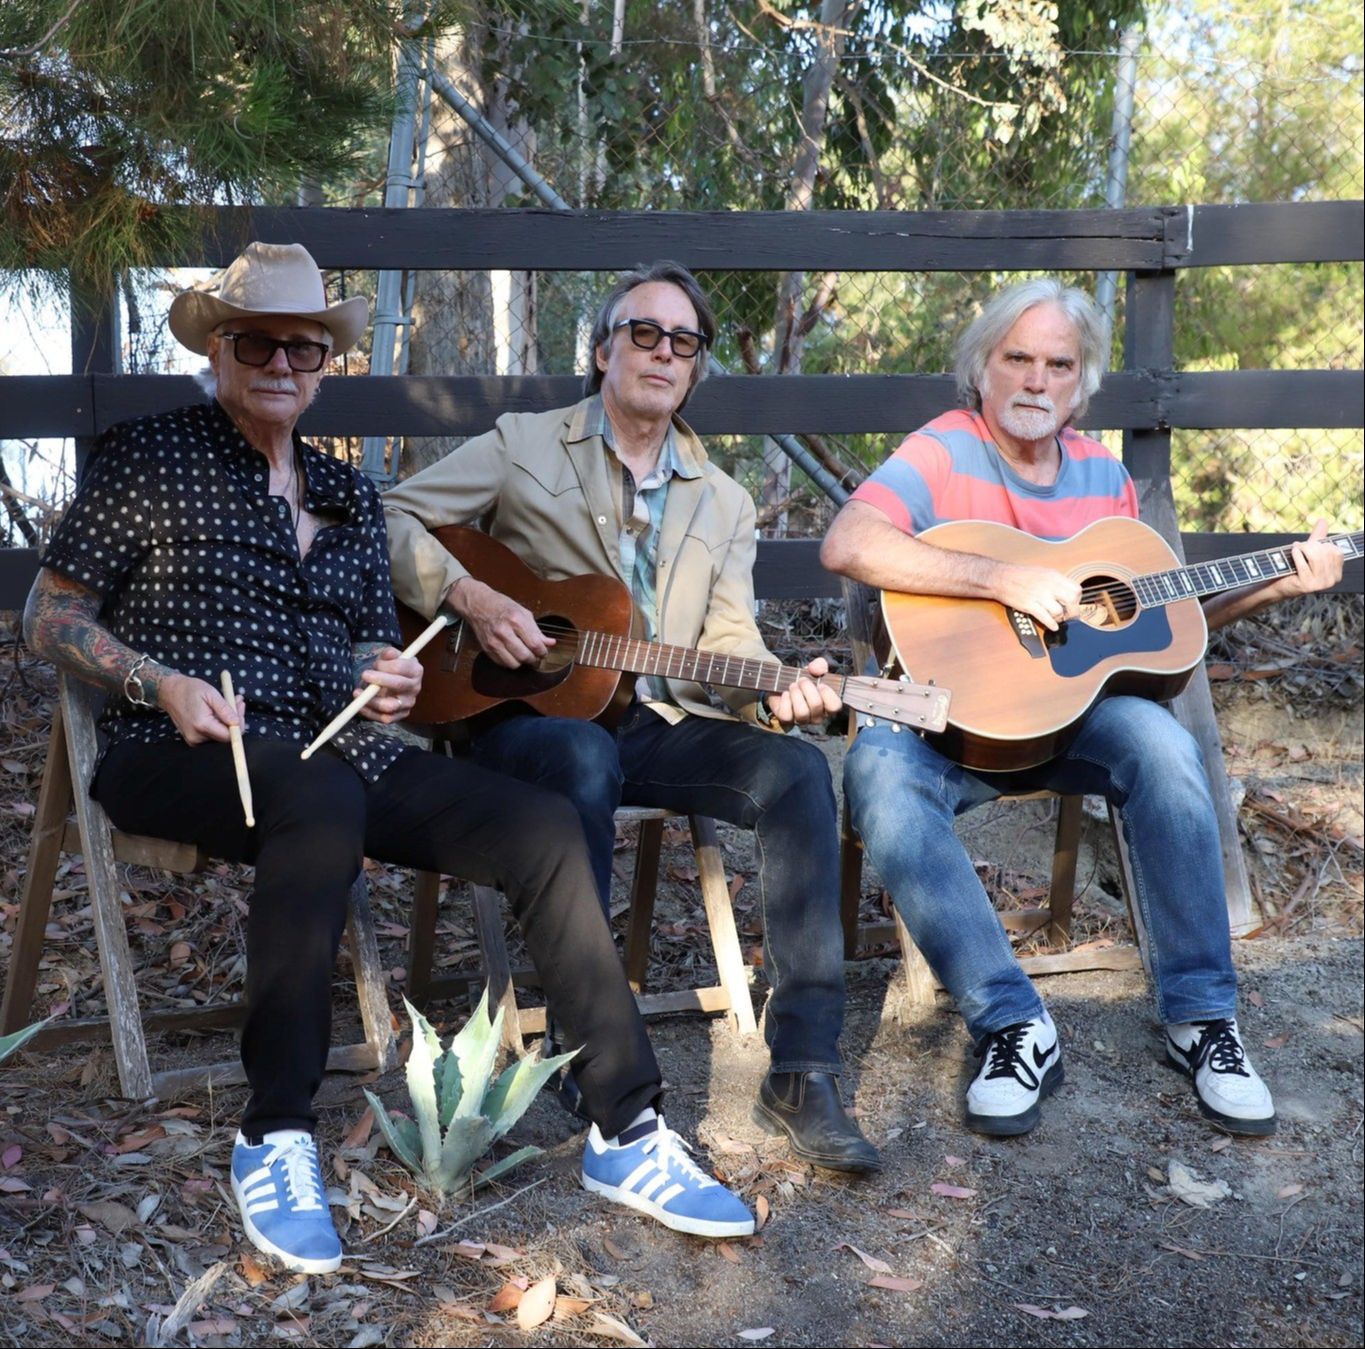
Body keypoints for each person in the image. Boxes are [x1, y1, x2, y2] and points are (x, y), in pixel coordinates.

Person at [23, 243, 756, 1275]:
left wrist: (388, 675)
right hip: (183, 745)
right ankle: (275, 1132)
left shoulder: (348, 491)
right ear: (219, 350)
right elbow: (47, 616)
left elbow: (372, 637)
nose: (283, 361)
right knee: (316, 793)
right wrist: (160, 684)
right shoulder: (149, 460)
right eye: (258, 341)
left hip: (343, 751)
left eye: (304, 346)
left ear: (326, 362)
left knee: (543, 823)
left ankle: (625, 1131)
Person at [383, 260, 880, 1175]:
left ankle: (803, 1068)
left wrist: (775, 685)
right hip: (517, 710)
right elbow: (395, 514)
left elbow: (725, 637)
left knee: (800, 772)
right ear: (603, 348)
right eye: (643, 334)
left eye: (682, 341)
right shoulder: (523, 442)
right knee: (579, 756)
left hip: (658, 711)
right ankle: (590, 1046)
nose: (662, 352)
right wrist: (471, 594)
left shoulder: (724, 500)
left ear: (694, 370)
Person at [820, 277, 1344, 1139]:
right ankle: (1011, 1023)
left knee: (1163, 746)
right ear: (980, 368)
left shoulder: (1102, 473)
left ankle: (1202, 1020)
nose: (1035, 380)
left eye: (1056, 364)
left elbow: (1154, 632)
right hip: (949, 724)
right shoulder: (944, 449)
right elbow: (850, 541)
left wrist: (1276, 583)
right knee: (875, 771)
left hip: (1068, 722)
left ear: (1082, 381)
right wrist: (1002, 577)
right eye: (1015, 358)